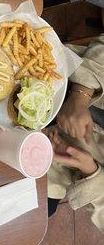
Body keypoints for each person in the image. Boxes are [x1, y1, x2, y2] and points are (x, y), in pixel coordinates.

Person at [47, 34, 104, 231]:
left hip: (69, 163)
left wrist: (90, 170)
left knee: (38, 211)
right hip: (72, 81)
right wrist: (81, 94)